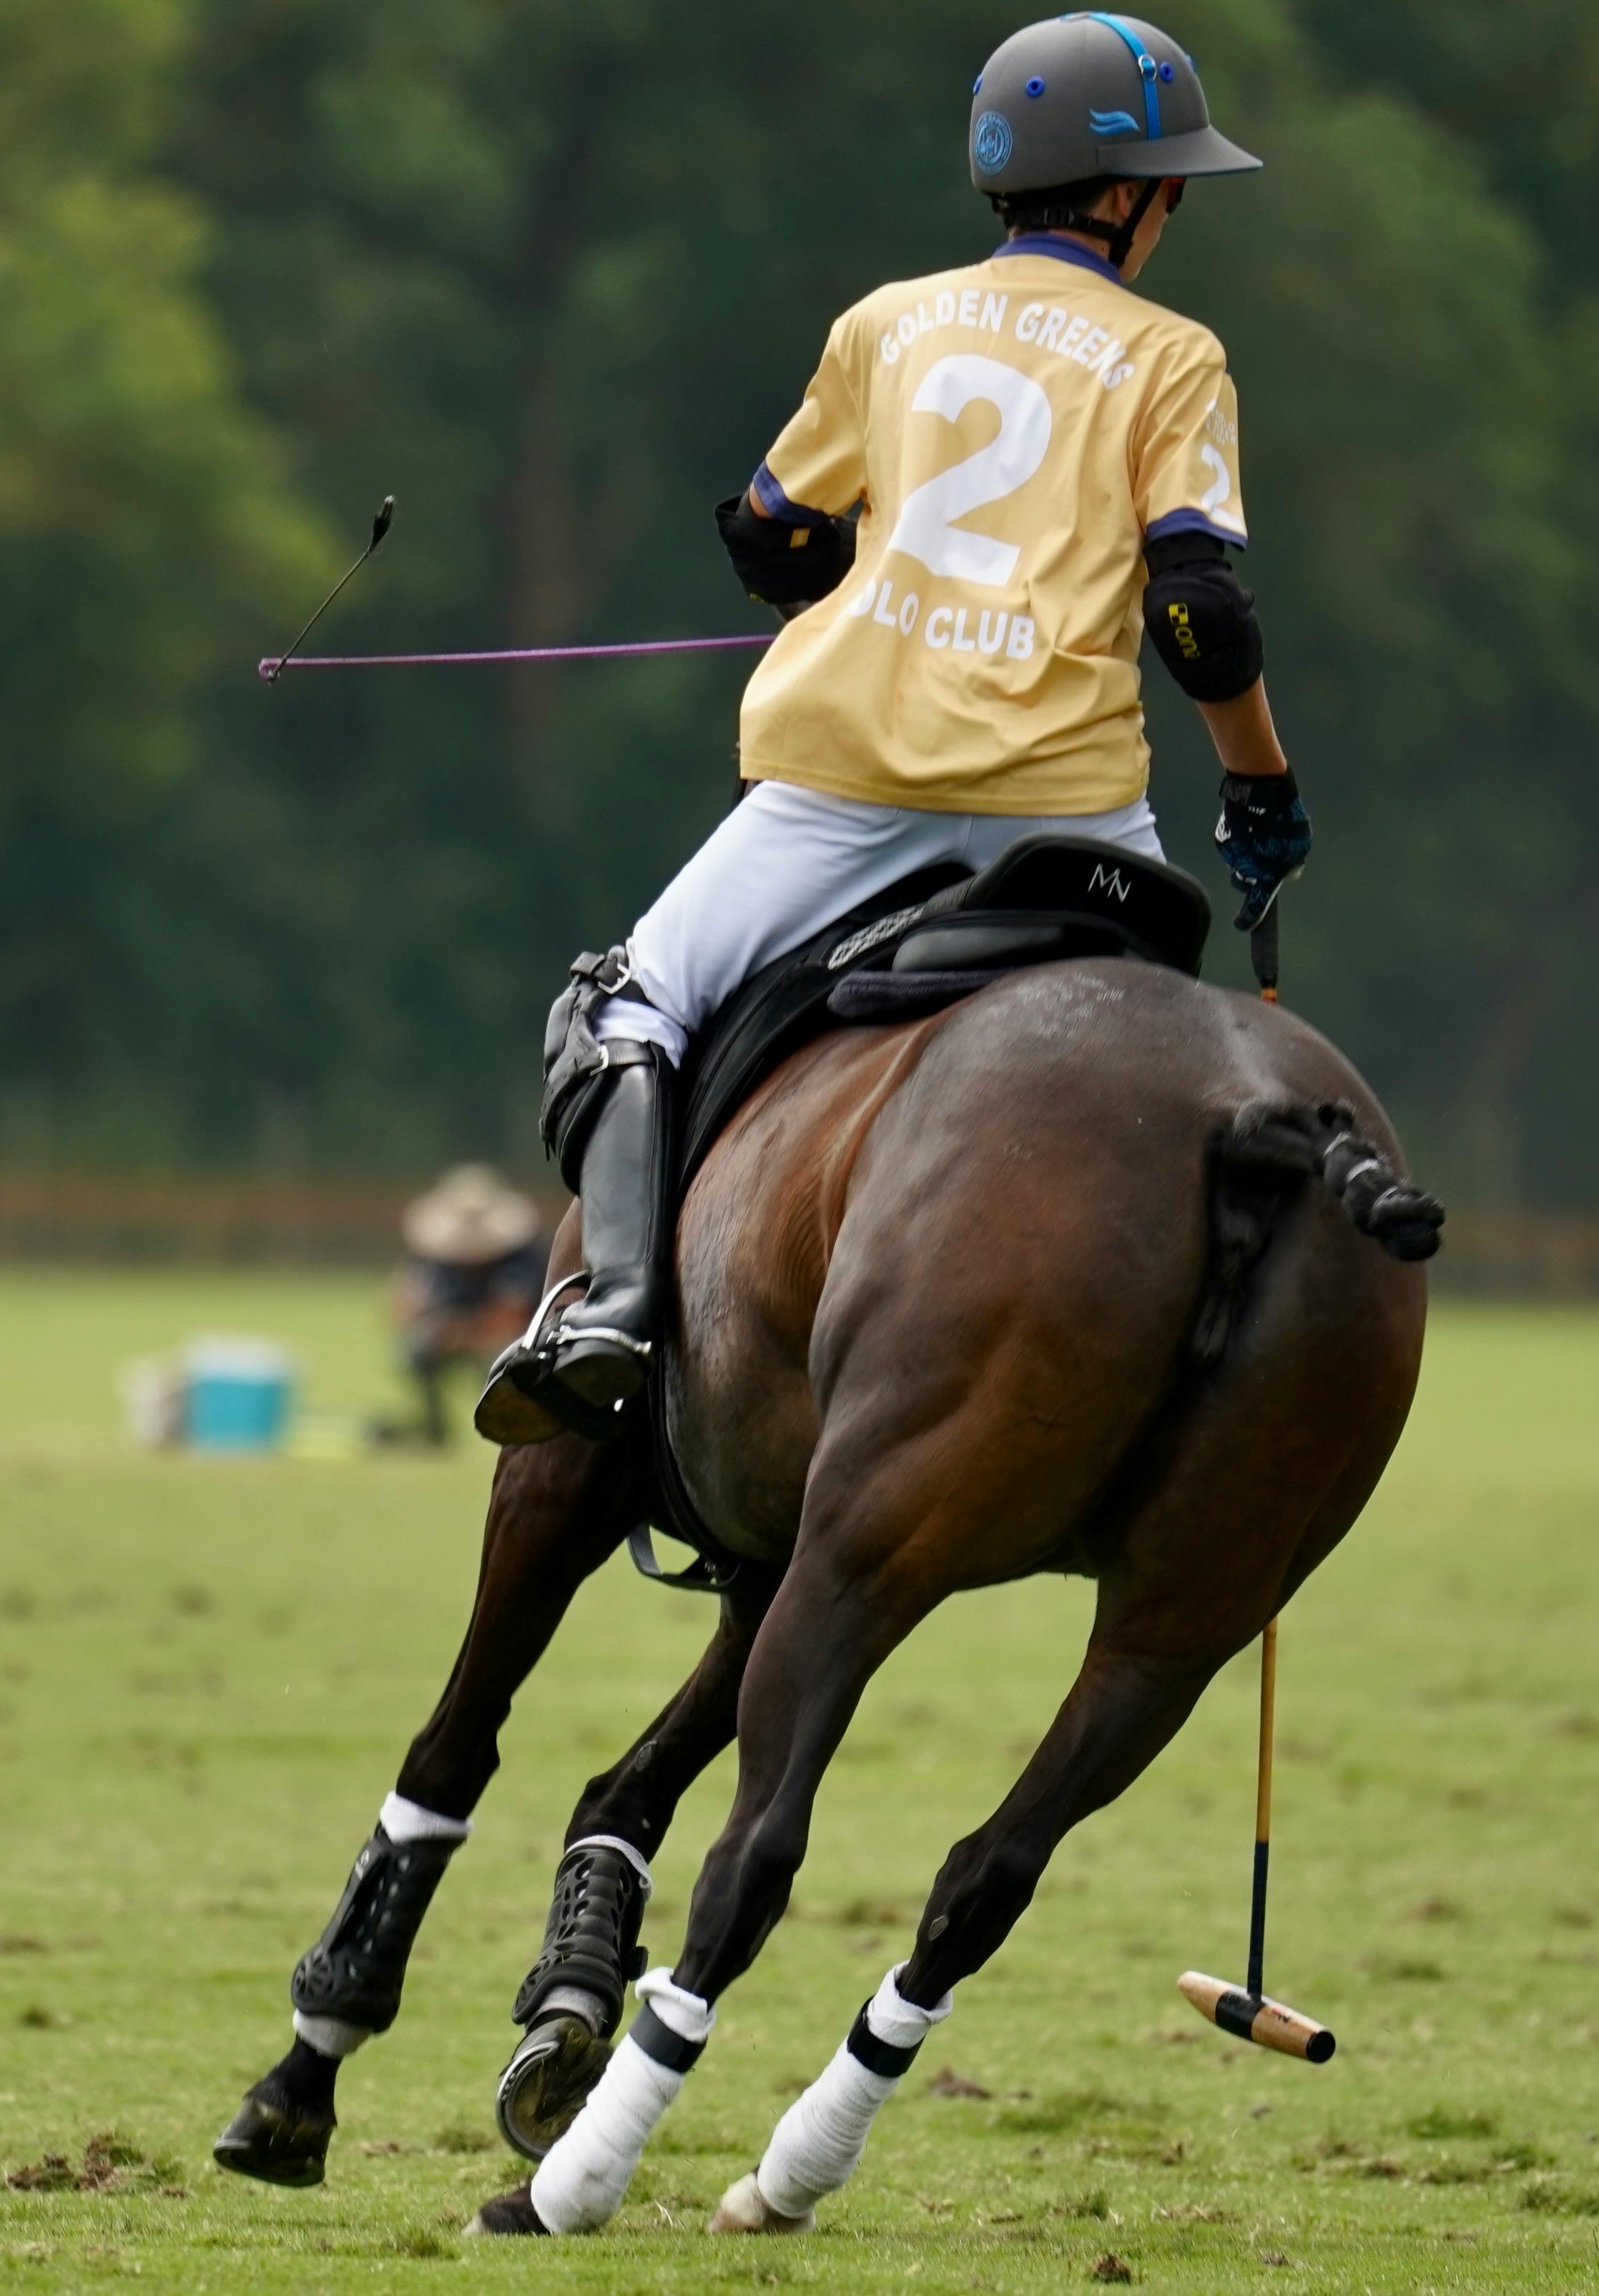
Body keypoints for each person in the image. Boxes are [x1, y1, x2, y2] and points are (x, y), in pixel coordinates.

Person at [476, 11, 1313, 1446]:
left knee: (623, 1007)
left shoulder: (888, 321)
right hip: (1067, 805)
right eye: (1167, 181)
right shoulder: (1173, 357)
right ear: (1120, 195)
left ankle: (611, 1308)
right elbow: (1199, 617)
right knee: (1176, 1079)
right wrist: (1259, 784)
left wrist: (833, 563)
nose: (1169, 208)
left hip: (842, 782)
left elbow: (769, 533)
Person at [382, 1165, 551, 1448]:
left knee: (502, 1361)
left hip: (513, 1342)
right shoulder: (436, 1260)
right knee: (415, 1350)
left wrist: (463, 1332)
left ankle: (511, 1424)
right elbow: (402, 1310)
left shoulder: (520, 1260)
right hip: (452, 1337)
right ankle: (434, 1428)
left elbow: (511, 1318)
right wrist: (431, 1322)